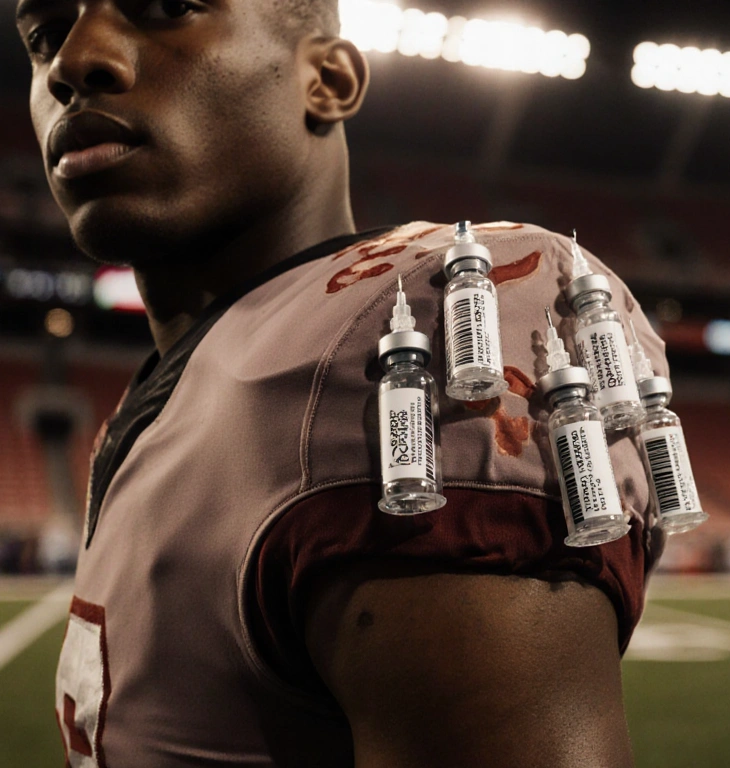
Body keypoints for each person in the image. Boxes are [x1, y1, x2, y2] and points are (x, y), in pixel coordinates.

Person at [15, 0, 667, 763]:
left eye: (167, 7)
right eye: (43, 34)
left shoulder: (407, 330)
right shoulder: (170, 379)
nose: (72, 62)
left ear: (328, 78)